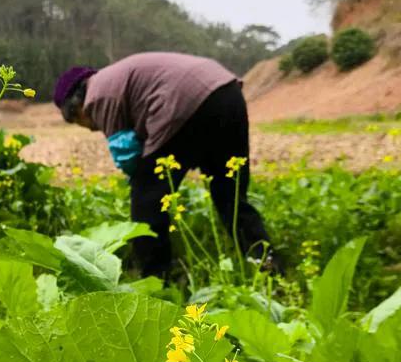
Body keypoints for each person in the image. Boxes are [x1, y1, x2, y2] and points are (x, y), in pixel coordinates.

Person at [53, 52, 278, 278]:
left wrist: (142, 184)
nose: (90, 128)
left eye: (77, 121)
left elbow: (127, 155)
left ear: (76, 106)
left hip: (184, 102)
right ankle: (267, 266)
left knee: (146, 200)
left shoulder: (96, 97)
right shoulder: (115, 78)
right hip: (226, 91)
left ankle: (155, 280)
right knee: (230, 194)